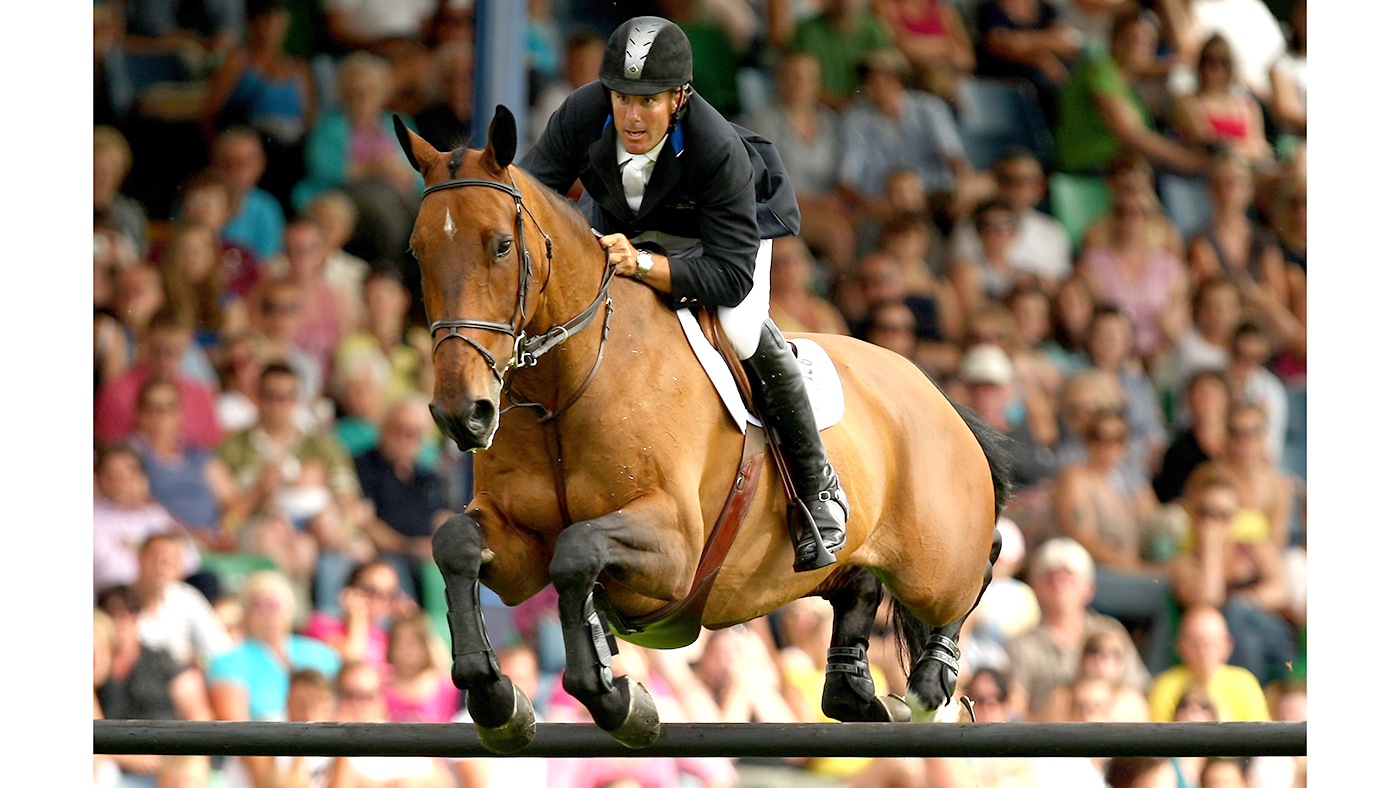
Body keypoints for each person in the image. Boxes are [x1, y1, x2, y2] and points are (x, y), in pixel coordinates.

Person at [520, 16, 845, 572]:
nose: (631, 116)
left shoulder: (716, 147)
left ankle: (818, 491)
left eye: (648, 101)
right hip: (628, 220)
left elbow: (730, 276)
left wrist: (645, 264)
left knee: (742, 330)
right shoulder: (583, 111)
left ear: (679, 97)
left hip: (723, 234)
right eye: (621, 98)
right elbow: (530, 199)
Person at [1171, 471, 1297, 685]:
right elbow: (1208, 601)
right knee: (1248, 643)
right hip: (1222, 646)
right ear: (1194, 515)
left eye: (1223, 514)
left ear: (1234, 517)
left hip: (1273, 636)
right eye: (1206, 513)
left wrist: (1246, 602)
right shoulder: (1185, 563)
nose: (1214, 522)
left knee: (1236, 611)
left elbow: (1282, 591)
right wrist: (1211, 552)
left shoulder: (1254, 547)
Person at [1004, 537, 1151, 719]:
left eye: (1069, 579)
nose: (1060, 586)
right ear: (1036, 587)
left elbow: (1136, 690)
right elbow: (1014, 705)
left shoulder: (1110, 631)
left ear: (1089, 589)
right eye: (1051, 578)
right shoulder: (1022, 645)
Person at [835, 47, 980, 230]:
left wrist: (963, 185)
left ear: (900, 79)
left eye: (887, 78)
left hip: (932, 196)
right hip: (882, 201)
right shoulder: (855, 117)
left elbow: (953, 154)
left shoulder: (929, 107)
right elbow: (847, 177)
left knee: (973, 193)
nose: (879, 85)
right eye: (872, 79)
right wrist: (870, 204)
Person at [1055, 9, 1209, 175]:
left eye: (1149, 40)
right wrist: (1188, 160)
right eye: (1134, 38)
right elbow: (1130, 134)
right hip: (1088, 169)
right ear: (1115, 39)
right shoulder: (1101, 70)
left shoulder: (1129, 89)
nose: (1141, 46)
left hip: (1116, 168)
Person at [743, 49, 855, 275]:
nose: (799, 83)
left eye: (806, 77)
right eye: (792, 76)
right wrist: (819, 203)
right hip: (781, 205)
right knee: (836, 232)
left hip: (825, 203)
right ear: (779, 81)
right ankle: (840, 296)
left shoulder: (830, 122)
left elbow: (841, 174)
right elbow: (765, 183)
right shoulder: (762, 123)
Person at [207, 569, 342, 722]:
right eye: (258, 605)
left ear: (290, 608)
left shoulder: (321, 654)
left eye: (273, 605)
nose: (267, 614)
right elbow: (234, 725)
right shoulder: (229, 662)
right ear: (246, 612)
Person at [1078, 185, 1190, 360]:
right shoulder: (1092, 263)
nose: (1131, 219)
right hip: (1108, 356)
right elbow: (1090, 320)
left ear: (1152, 218)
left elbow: (1176, 328)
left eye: (1140, 212)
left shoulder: (1169, 266)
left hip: (1159, 357)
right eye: (1123, 212)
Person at [353, 396, 452, 591]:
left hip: (426, 558)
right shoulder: (364, 466)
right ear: (385, 428)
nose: (406, 439)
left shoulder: (427, 476)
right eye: (400, 430)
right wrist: (409, 546)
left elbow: (443, 516)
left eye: (414, 433)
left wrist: (440, 543)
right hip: (385, 555)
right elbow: (365, 521)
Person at [95, 307, 224, 450]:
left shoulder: (201, 396)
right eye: (158, 351)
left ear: (186, 347)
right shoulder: (116, 394)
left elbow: (211, 452)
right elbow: (108, 454)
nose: (164, 360)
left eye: (173, 352)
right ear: (145, 342)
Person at [948, 148, 1072, 291]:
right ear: (996, 182)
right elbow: (960, 279)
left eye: (1027, 181)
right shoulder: (970, 225)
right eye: (1008, 180)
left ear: (1040, 185)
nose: (1018, 188)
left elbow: (1061, 283)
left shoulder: (1052, 230)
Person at [331, 662, 465, 788]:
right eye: (349, 694)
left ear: (380, 697)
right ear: (335, 696)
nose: (358, 703)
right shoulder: (319, 738)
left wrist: (414, 783)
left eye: (368, 695)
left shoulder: (399, 735)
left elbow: (444, 781)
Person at [93, 446, 203, 596]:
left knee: (204, 581)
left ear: (142, 478)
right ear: (98, 479)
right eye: (111, 474)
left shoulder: (154, 514)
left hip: (166, 593)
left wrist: (135, 550)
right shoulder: (94, 518)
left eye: (128, 474)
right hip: (119, 599)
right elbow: (110, 572)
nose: (119, 481)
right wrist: (157, 560)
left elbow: (191, 558)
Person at [96, 585, 214, 723]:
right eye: (111, 613)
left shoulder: (162, 660)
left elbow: (196, 712)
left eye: (129, 612)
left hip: (161, 740)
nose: (121, 621)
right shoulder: (96, 663)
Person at [1146, 601, 1269, 722]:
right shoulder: (1165, 687)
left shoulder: (1245, 684)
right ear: (1181, 646)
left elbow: (1258, 736)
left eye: (1212, 643)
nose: (1204, 650)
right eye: (1196, 643)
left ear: (1228, 645)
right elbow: (1161, 737)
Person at [130, 533, 233, 668]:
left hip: (182, 680)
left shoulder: (187, 598)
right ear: (139, 559)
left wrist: (197, 660)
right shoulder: (118, 600)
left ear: (180, 569)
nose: (161, 567)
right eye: (155, 558)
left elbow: (220, 648)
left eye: (170, 561)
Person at [1171, 35, 1272, 164]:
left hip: (1248, 172)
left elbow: (1261, 148)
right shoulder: (1187, 102)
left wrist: (1231, 148)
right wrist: (1246, 149)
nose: (1217, 69)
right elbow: (1208, 146)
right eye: (1210, 61)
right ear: (1200, 65)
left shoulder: (1248, 105)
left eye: (1223, 62)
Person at [785, 0, 897, 108]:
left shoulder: (875, 30)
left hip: (865, 109)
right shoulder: (806, 32)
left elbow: (887, 80)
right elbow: (793, 82)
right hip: (817, 109)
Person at [1153, 370, 1230, 506]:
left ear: (1227, 399)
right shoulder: (1177, 451)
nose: (1208, 399)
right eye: (1202, 394)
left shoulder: (1241, 441)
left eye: (1214, 393)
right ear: (1189, 400)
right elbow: (1171, 497)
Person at [213, 127, 289, 261]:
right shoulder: (198, 199)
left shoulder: (267, 207)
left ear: (260, 164)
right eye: (227, 163)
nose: (235, 171)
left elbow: (269, 259)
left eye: (243, 164)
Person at [383, 614, 461, 722]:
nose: (407, 648)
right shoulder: (378, 686)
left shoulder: (449, 687)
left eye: (415, 640)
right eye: (400, 641)